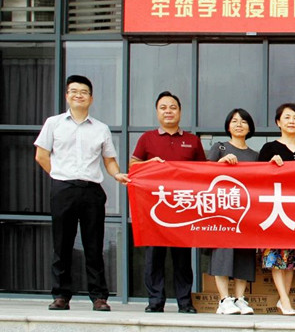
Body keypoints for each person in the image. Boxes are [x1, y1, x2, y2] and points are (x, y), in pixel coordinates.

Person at [34, 75, 130, 312]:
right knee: (62, 244)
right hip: (63, 189)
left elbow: (109, 160)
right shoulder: (53, 123)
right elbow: (41, 155)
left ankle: (99, 297)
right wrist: (59, 176)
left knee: (94, 245)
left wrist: (117, 174)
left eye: (84, 92)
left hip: (91, 191)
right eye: (74, 91)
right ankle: (61, 295)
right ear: (67, 96)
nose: (79, 95)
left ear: (91, 98)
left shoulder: (100, 128)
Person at [130, 91, 206, 314]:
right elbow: (133, 167)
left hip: (183, 207)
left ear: (180, 111)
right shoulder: (147, 138)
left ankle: (185, 302)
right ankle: (155, 301)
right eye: (163, 107)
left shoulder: (192, 140)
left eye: (173, 107)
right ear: (157, 112)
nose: (168, 111)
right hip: (154, 208)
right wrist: (149, 164)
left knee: (182, 259)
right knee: (154, 257)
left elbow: (203, 171)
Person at [258, 103, 295, 316]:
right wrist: (269, 165)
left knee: (292, 258)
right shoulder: (269, 148)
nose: (292, 121)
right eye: (287, 117)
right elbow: (257, 179)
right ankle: (285, 301)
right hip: (275, 209)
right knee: (276, 255)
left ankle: (284, 300)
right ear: (278, 122)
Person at [207, 108, 258, 315]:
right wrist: (220, 164)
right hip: (223, 210)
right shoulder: (219, 148)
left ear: (250, 127)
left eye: (243, 121)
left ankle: (239, 299)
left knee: (244, 254)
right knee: (223, 252)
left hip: (246, 212)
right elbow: (203, 175)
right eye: (235, 121)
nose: (239, 125)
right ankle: (223, 299)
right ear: (228, 126)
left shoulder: (255, 155)